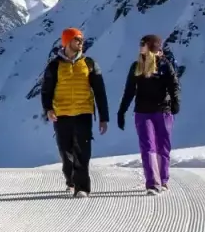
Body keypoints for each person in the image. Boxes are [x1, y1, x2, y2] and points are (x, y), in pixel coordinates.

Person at [39, 27, 108, 197]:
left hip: (83, 112)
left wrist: (103, 117)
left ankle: (82, 187)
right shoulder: (54, 65)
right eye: (77, 40)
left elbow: (100, 91)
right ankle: (71, 180)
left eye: (82, 40)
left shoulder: (89, 63)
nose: (81, 43)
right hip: (61, 114)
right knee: (65, 150)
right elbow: (46, 89)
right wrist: (48, 109)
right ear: (67, 41)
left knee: (83, 151)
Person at [117, 33, 181, 195]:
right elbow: (129, 91)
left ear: (152, 46)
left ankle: (163, 179)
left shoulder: (164, 65)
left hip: (163, 111)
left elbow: (173, 85)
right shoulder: (136, 66)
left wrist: (175, 102)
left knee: (163, 147)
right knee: (148, 147)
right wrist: (122, 111)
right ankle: (153, 183)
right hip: (143, 112)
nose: (140, 47)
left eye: (143, 44)